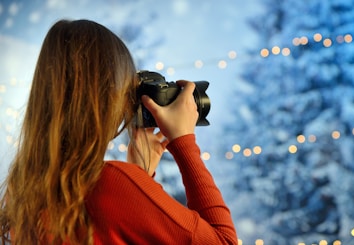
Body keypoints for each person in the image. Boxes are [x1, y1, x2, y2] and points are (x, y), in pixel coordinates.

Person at [0, 19, 238, 244]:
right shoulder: (110, 183)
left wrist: (140, 176)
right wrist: (183, 141)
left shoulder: (23, 193)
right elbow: (224, 241)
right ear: (107, 96)